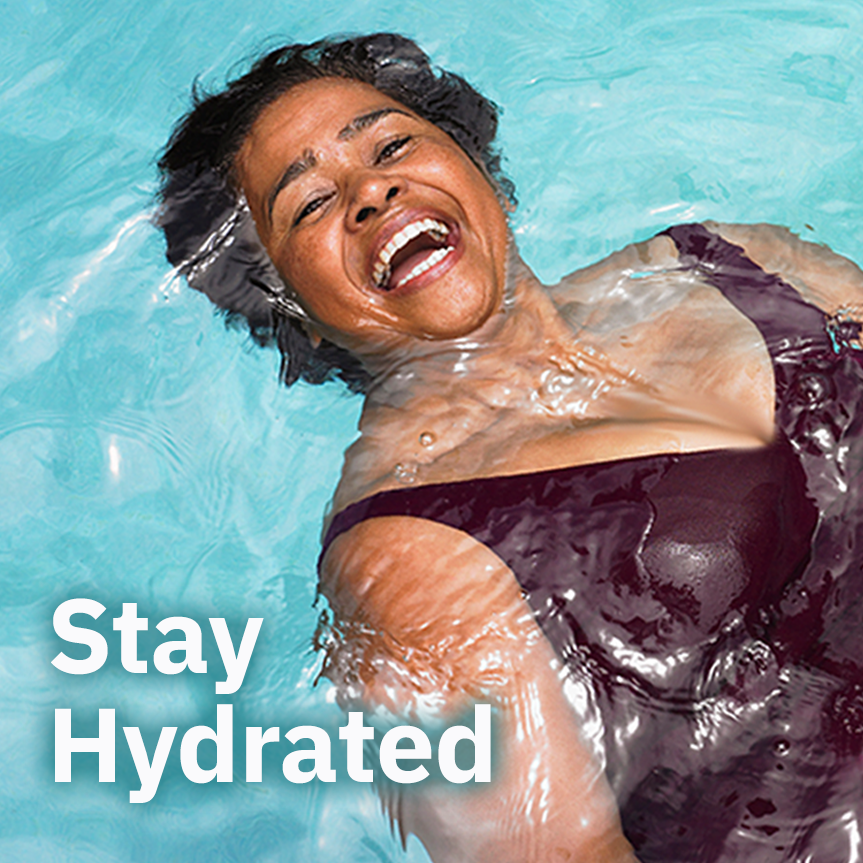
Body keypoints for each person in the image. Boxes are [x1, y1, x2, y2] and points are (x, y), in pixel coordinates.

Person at [158, 33, 863, 863]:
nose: (370, 190)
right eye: (309, 204)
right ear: (283, 297)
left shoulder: (738, 263)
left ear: (472, 165)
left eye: (390, 144)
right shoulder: (402, 558)